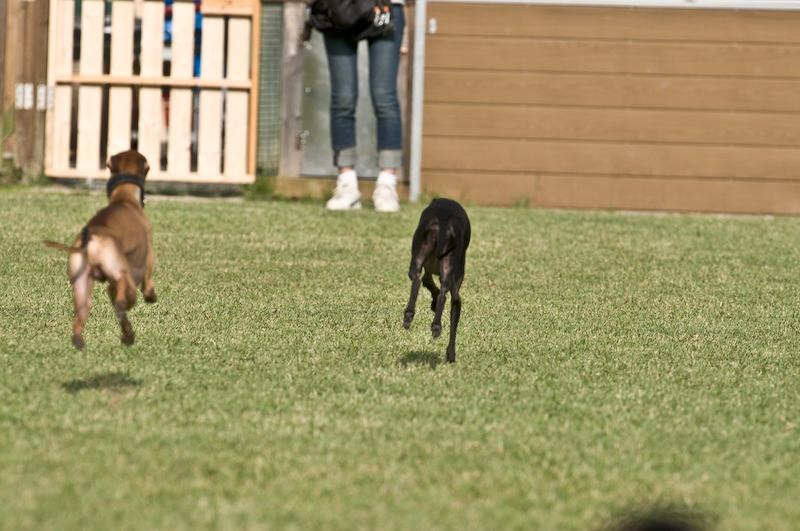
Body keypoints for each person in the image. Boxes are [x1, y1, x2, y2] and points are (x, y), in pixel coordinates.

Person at [323, 0, 406, 212]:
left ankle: (387, 185)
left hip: (386, 5)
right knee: (343, 99)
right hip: (337, 6)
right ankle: (347, 184)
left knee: (384, 96)